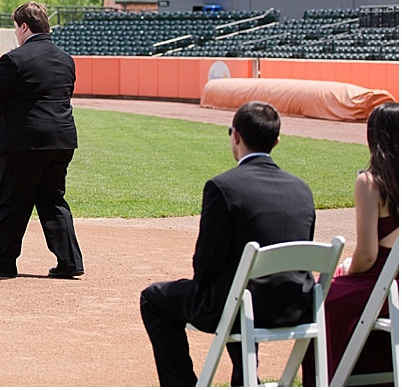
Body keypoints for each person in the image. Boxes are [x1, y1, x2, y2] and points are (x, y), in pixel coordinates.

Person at [140, 101, 316, 386]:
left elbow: (205, 267)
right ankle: (244, 380)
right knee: (239, 283)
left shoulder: (224, 187)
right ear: (276, 141)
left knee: (154, 299)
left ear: (236, 135)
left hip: (239, 307)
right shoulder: (302, 189)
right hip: (296, 305)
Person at [0, 1, 84, 279]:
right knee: (53, 200)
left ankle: (3, 262)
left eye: (16, 28)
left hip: (25, 143)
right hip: (62, 140)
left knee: (13, 202)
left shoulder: (15, 59)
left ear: (24, 27)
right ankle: (70, 261)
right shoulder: (65, 58)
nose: (16, 33)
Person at [302, 101, 398, 385]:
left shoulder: (370, 182)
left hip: (381, 280)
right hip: (394, 283)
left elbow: (368, 255)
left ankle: (322, 380)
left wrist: (346, 270)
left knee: (320, 295)